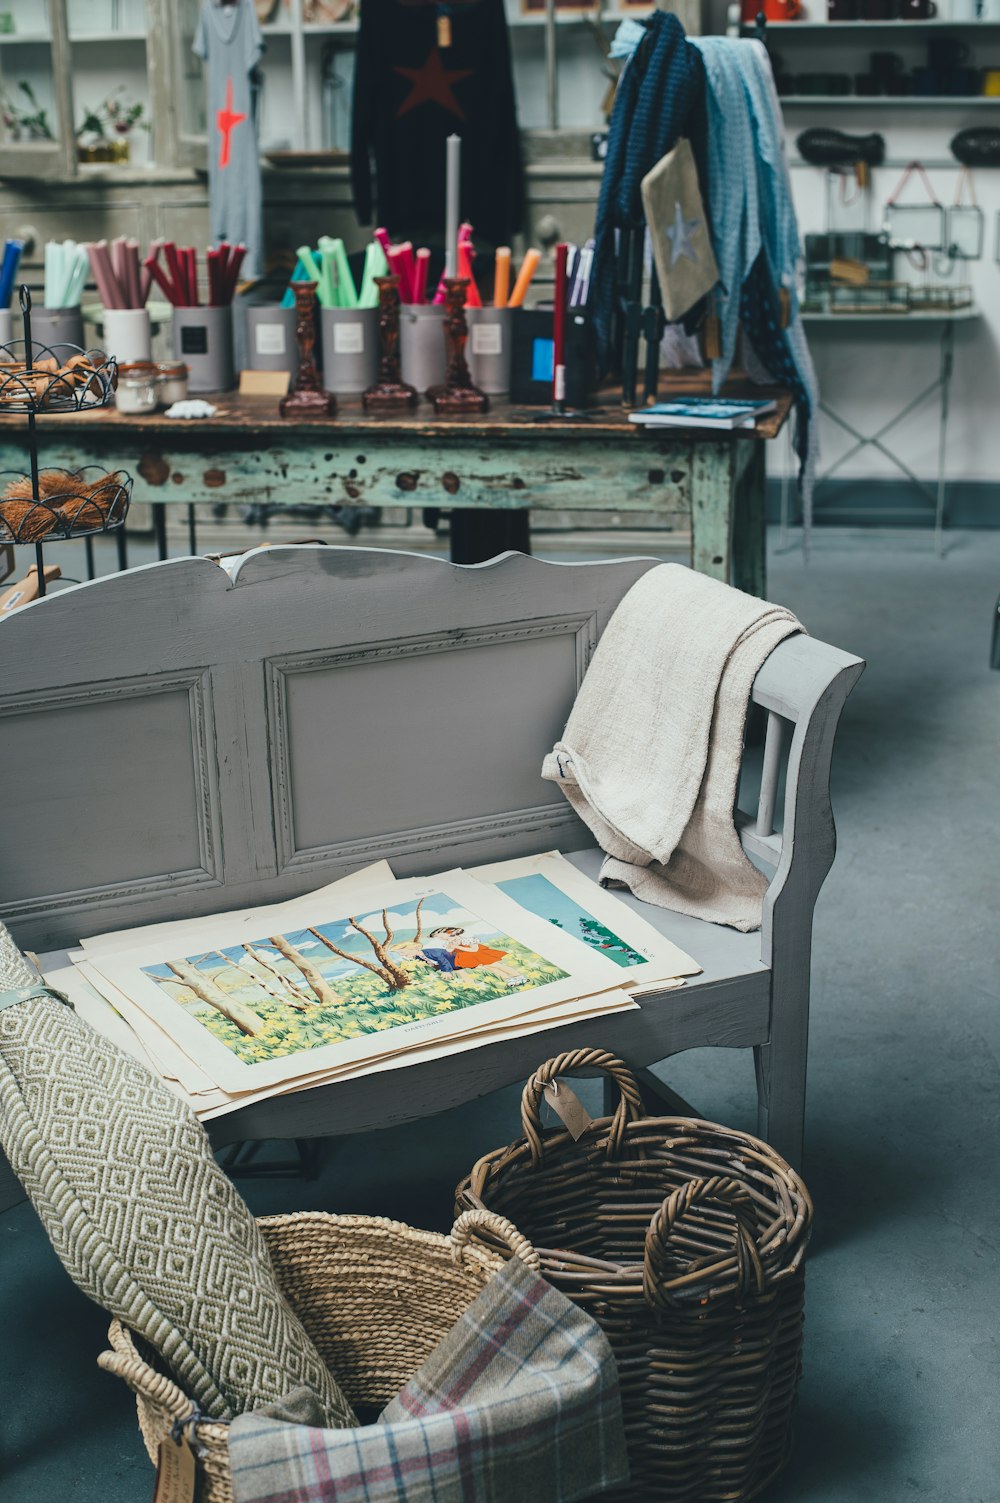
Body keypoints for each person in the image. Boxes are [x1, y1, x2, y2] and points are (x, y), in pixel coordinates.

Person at [428, 926, 526, 988]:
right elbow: (448, 953)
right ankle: (510, 981)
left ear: (450, 934)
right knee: (491, 968)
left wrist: (457, 946)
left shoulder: (467, 940)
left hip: (479, 955)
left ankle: (519, 977)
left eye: (441, 937)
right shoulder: (448, 944)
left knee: (497, 966)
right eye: (439, 938)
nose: (441, 939)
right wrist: (450, 947)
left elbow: (474, 950)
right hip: (469, 959)